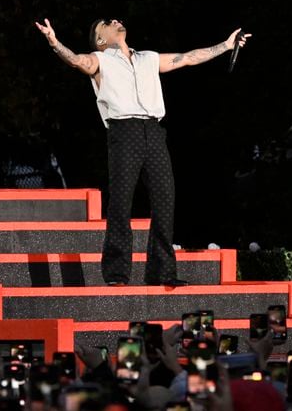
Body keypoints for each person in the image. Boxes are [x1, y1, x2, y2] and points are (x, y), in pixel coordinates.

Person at [35, 17, 250, 287]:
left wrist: (226, 45)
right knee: (122, 202)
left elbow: (187, 58)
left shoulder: (148, 58)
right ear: (101, 39)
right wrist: (55, 43)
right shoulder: (101, 60)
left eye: (115, 19)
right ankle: (116, 274)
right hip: (124, 132)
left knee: (165, 199)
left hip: (154, 131)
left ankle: (161, 273)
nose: (115, 21)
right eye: (107, 23)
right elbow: (78, 61)